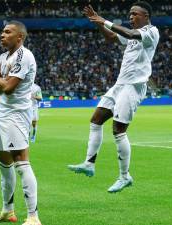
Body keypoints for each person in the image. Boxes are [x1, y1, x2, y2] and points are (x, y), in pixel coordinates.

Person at [67, 1, 160, 193]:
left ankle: (125, 176)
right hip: (119, 85)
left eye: (135, 14)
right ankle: (89, 164)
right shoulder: (133, 36)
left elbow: (130, 33)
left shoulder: (151, 32)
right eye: (129, 14)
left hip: (134, 87)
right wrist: (97, 22)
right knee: (96, 120)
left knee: (118, 130)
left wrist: (105, 20)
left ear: (146, 16)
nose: (131, 17)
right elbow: (112, 37)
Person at [0, 21, 42, 225]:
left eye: (7, 32)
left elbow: (6, 88)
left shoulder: (23, 56)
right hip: (4, 114)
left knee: (21, 163)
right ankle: (8, 211)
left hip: (17, 115)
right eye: (2, 31)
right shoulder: (5, 57)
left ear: (20, 37)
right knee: (4, 166)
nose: (2, 35)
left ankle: (33, 216)